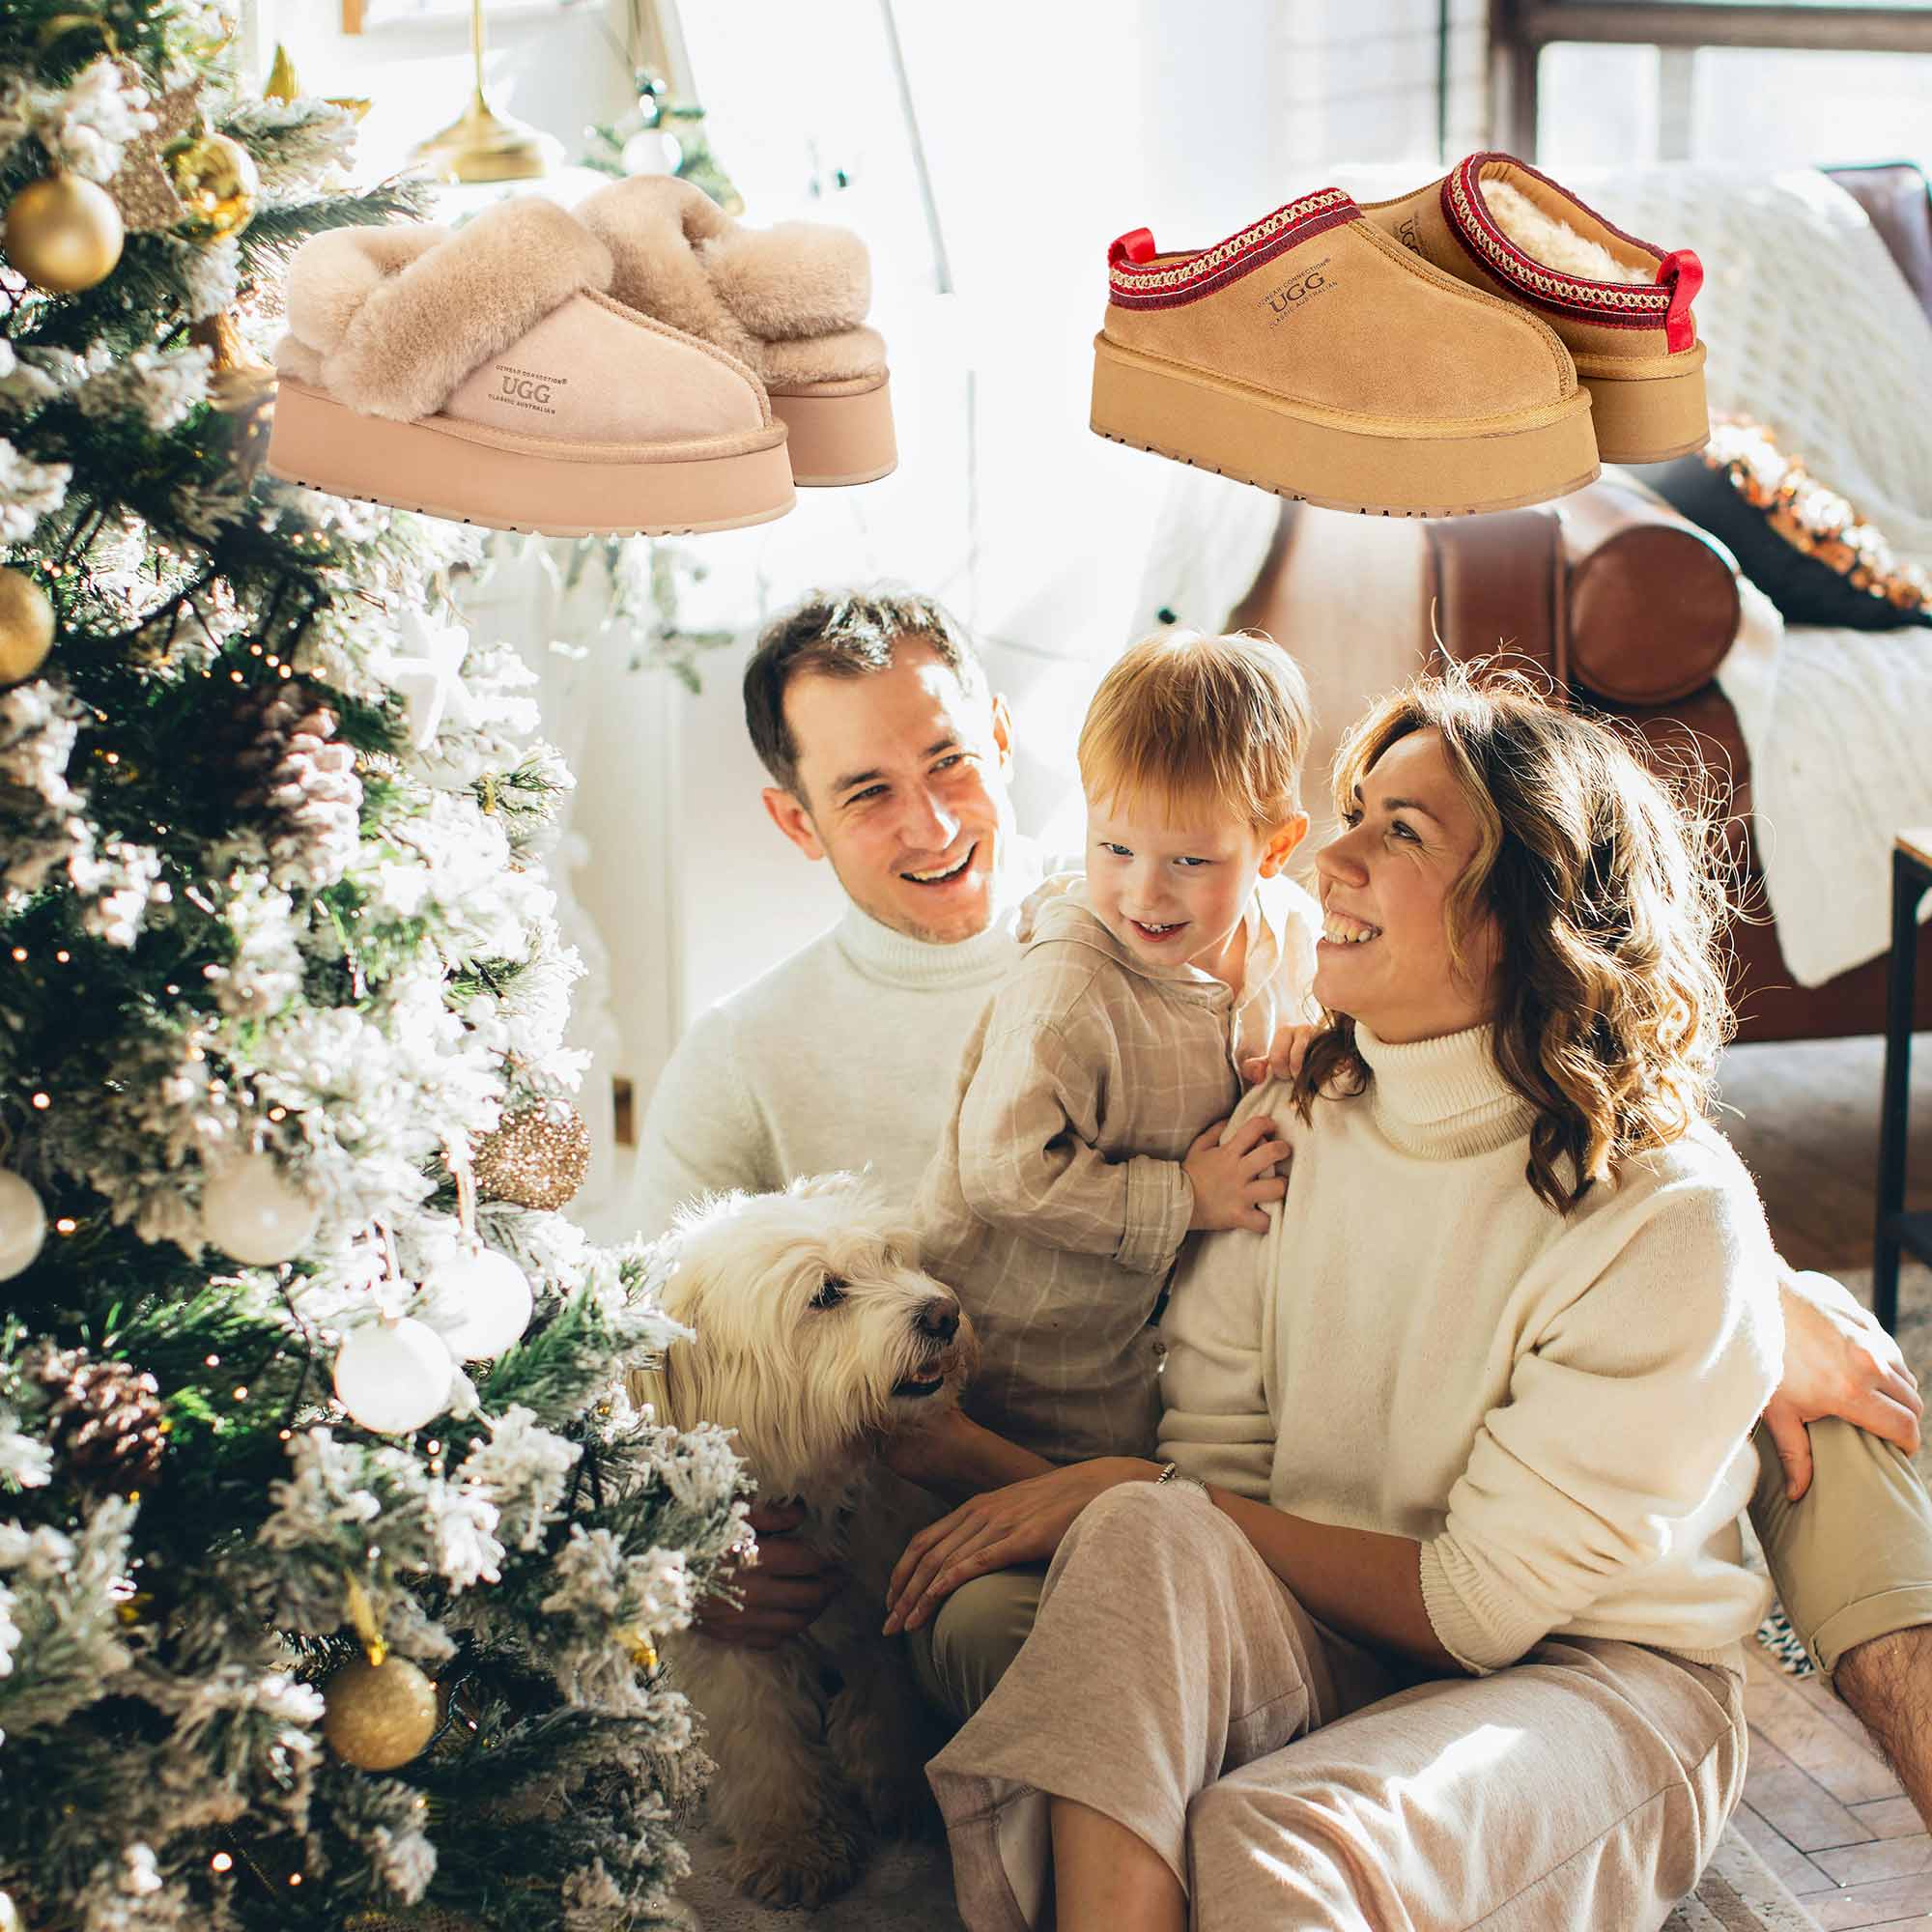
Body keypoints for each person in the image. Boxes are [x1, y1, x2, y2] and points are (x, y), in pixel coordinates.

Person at [629, 587, 1932, 1825]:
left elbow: (1546, 1055)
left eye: (950, 761)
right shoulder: (746, 1054)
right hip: (1058, 1482)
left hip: (1229, 1454)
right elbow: (634, 1370)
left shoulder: (1201, 893)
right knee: (1003, 1636)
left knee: (1829, 1364)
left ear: (1011, 745)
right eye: (867, 793)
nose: (931, 821)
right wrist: (704, 1551)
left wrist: (1750, 1289)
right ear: (796, 821)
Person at [901, 676, 1792, 1925]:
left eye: (1400, 833)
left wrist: (1142, 1491)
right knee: (1144, 1533)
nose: (1331, 856)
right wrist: (1146, 1507)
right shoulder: (1292, 1125)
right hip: (1334, 1623)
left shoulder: (1669, 1217)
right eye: (1353, 812)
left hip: (1596, 1678)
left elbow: (1479, 1606)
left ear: (1523, 913)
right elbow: (1216, 1478)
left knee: (1263, 1841)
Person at [914, 632, 1319, 1466]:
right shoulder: (1068, 984)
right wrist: (1184, 1199)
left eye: (1191, 861)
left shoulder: (1295, 935)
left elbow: (1336, 1025)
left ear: (1274, 850)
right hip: (1027, 1359)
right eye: (1116, 847)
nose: (1145, 891)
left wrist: (1319, 1042)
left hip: (1164, 1345)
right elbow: (1002, 1170)